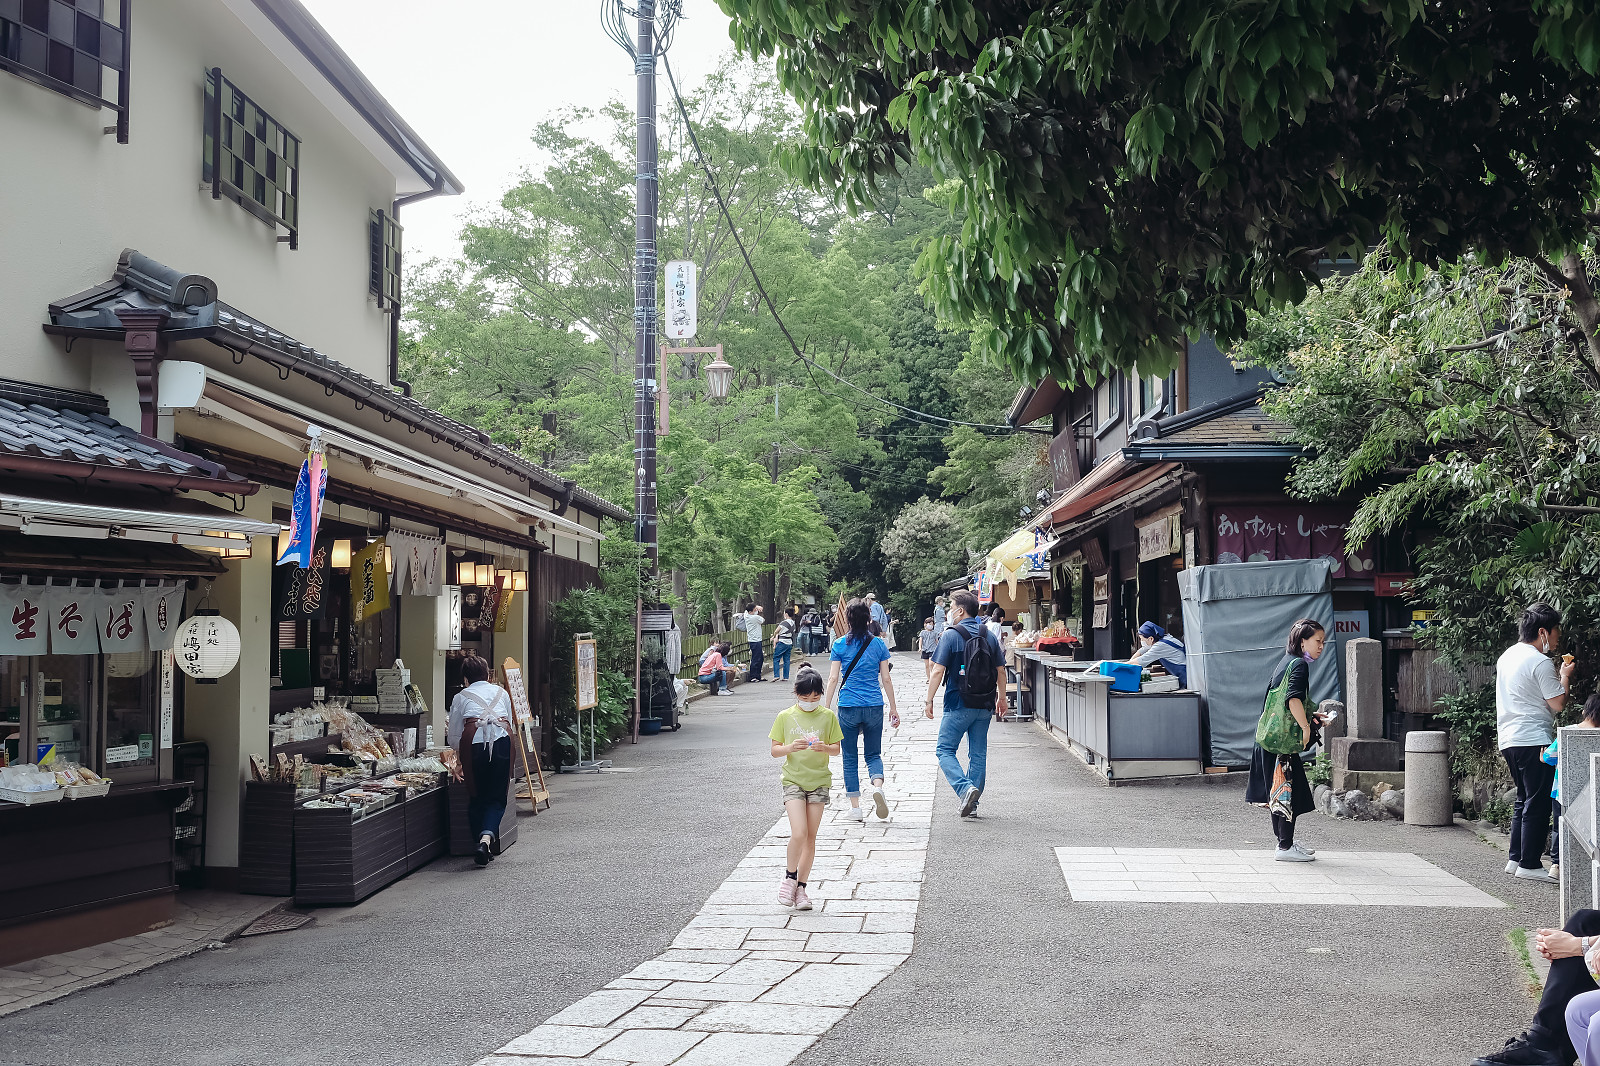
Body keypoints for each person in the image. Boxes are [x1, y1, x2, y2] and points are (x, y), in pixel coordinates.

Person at [1499, 602, 1574, 885]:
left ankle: (1516, 858)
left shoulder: (1507, 656)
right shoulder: (1539, 661)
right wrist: (1565, 676)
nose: (1556, 639)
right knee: (1538, 801)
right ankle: (1529, 864)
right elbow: (1558, 703)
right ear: (1543, 631)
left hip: (1509, 737)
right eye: (1555, 633)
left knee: (1524, 798)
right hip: (1534, 738)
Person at [1244, 619, 1327, 861]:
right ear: (1302, 642)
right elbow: (1293, 699)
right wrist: (1306, 727)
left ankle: (1285, 842)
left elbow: (1282, 702)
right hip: (1281, 744)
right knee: (1286, 793)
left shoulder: (1287, 661)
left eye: (1323, 642)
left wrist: (1311, 716)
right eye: (1317, 641)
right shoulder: (1299, 665)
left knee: (1280, 792)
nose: (1321, 646)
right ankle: (1284, 847)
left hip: (1270, 740)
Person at [924, 590, 1007, 817]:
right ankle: (972, 805)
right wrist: (1002, 698)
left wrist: (929, 700)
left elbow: (937, 670)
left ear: (960, 611)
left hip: (958, 703)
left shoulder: (951, 636)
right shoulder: (988, 635)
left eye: (951, 608)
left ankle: (964, 789)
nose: (949, 612)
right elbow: (1000, 670)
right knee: (978, 754)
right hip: (985, 704)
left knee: (944, 750)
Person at [769, 665, 843, 911]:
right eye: (805, 697)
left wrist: (824, 747)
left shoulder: (828, 716)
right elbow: (775, 750)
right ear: (796, 693)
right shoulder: (785, 716)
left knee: (811, 837)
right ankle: (789, 877)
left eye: (815, 697)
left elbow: (836, 749)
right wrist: (791, 747)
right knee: (799, 832)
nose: (810, 702)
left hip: (819, 781)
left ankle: (801, 888)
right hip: (793, 780)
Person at [826, 599, 898, 822]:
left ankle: (855, 808)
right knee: (873, 754)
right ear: (869, 618)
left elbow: (833, 678)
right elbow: (886, 678)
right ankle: (877, 786)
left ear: (847, 619)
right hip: (874, 704)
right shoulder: (878, 645)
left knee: (849, 756)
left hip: (848, 705)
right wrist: (893, 707)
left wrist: (826, 708)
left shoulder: (839, 644)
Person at [448, 654, 514, 867]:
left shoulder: (461, 696)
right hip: (502, 741)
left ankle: (480, 842)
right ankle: (486, 841)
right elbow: (509, 722)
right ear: (488, 675)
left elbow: (455, 733)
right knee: (497, 795)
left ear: (466, 678)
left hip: (473, 744)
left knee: (476, 794)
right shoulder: (501, 692)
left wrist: (458, 760)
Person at [1541, 695, 1600, 879]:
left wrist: (1543, 756)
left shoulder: (1568, 732)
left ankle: (1556, 865)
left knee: (1559, 827)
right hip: (1592, 792)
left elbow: (1549, 757)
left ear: (1584, 711)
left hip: (1562, 791)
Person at [1127, 621, 1189, 687]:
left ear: (1151, 638)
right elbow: (1142, 650)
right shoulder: (1162, 639)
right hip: (1180, 672)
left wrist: (1123, 665)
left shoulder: (1161, 645)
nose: (1141, 641)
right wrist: (1130, 661)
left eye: (1142, 639)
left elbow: (1142, 660)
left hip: (1183, 674)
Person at [742, 602, 767, 683]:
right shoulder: (754, 618)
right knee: (756, 658)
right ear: (750, 612)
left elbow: (746, 610)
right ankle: (753, 676)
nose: (756, 611)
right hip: (755, 640)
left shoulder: (746, 615)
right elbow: (762, 620)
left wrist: (756, 606)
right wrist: (758, 609)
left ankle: (758, 675)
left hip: (754, 639)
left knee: (760, 657)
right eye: (755, 610)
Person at [773, 607, 797, 681]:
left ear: (786, 614)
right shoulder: (793, 623)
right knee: (786, 660)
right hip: (789, 642)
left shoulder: (784, 623)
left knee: (776, 658)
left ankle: (776, 675)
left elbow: (776, 631)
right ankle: (785, 676)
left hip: (782, 642)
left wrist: (774, 636)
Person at [919, 617, 939, 681]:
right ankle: (929, 678)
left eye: (932, 624)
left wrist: (939, 648)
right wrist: (920, 648)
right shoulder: (922, 632)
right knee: (927, 665)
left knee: (931, 663)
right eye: (929, 624)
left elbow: (936, 641)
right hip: (925, 649)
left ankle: (933, 677)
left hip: (932, 649)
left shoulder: (935, 632)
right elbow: (921, 640)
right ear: (925, 624)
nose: (930, 625)